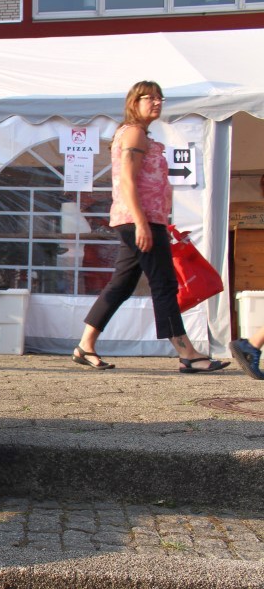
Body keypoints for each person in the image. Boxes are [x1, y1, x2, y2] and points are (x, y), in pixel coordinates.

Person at [72, 81, 228, 374]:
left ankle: (85, 345)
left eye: (159, 98)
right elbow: (127, 181)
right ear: (134, 102)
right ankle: (187, 353)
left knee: (122, 285)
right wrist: (142, 223)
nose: (157, 102)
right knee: (164, 285)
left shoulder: (139, 134)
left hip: (144, 220)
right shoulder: (133, 133)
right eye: (149, 98)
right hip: (138, 220)